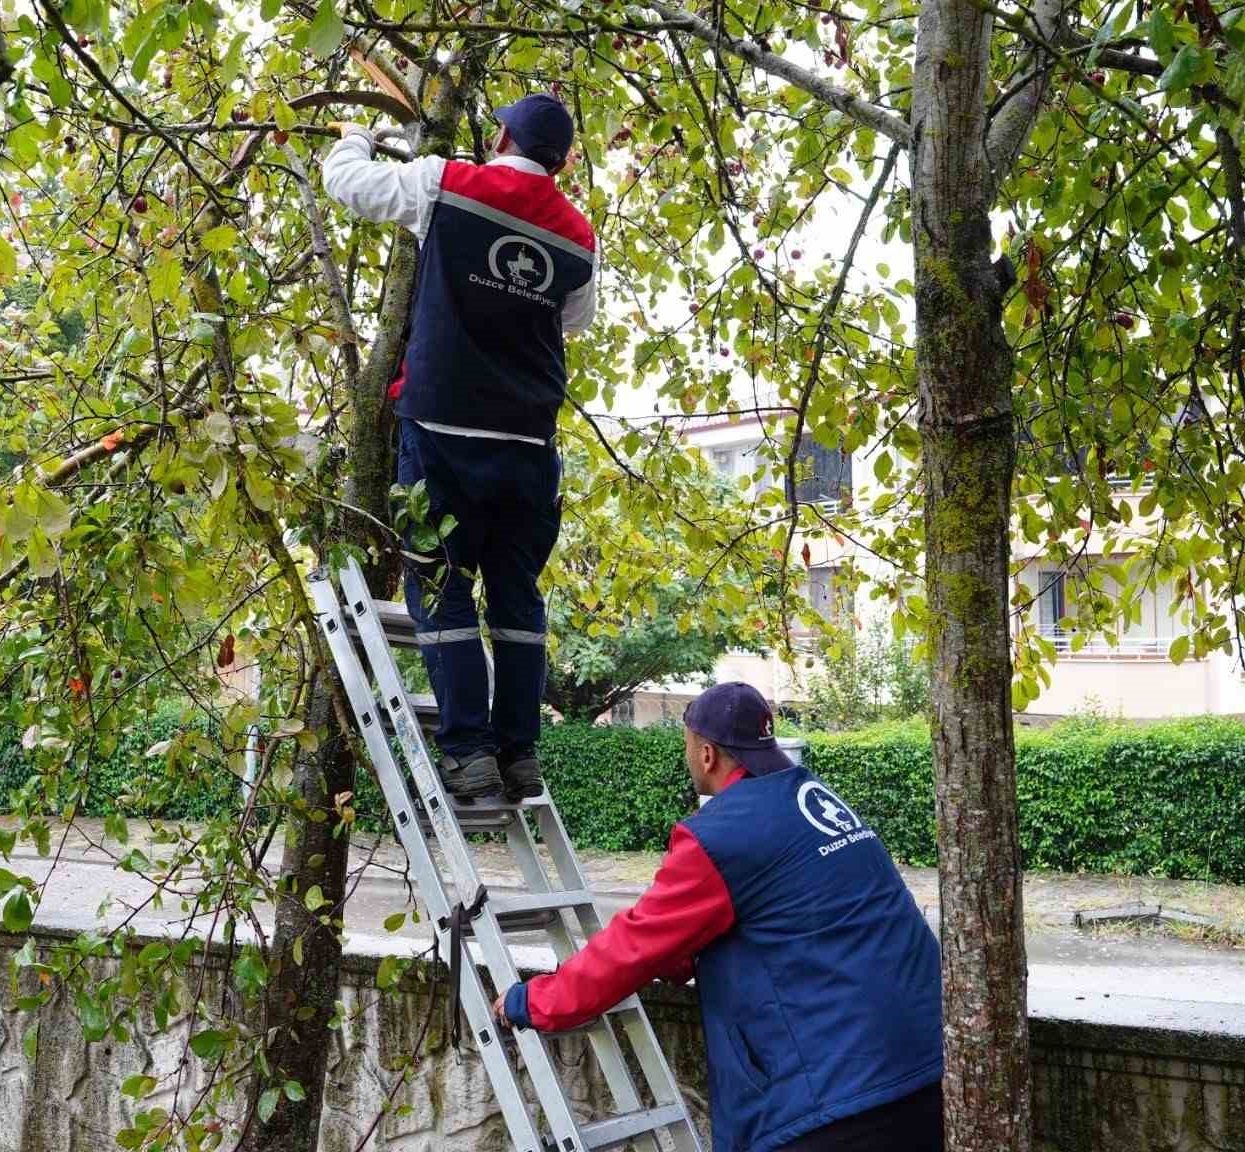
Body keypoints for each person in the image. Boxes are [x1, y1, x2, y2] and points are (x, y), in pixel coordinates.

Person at [493, 681, 944, 1152]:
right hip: (923, 1069)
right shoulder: (816, 801)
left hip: (835, 1100)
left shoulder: (723, 834)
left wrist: (535, 1001)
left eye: (687, 745)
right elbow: (783, 918)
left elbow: (635, 946)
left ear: (706, 754)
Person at [321, 94, 596, 802]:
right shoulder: (578, 236)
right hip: (529, 444)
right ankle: (519, 753)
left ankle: (470, 753)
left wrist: (360, 136)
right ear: (561, 160)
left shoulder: (449, 183)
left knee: (442, 591)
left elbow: (348, 184)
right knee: (515, 599)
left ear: (501, 135)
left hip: (443, 432)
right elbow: (576, 321)